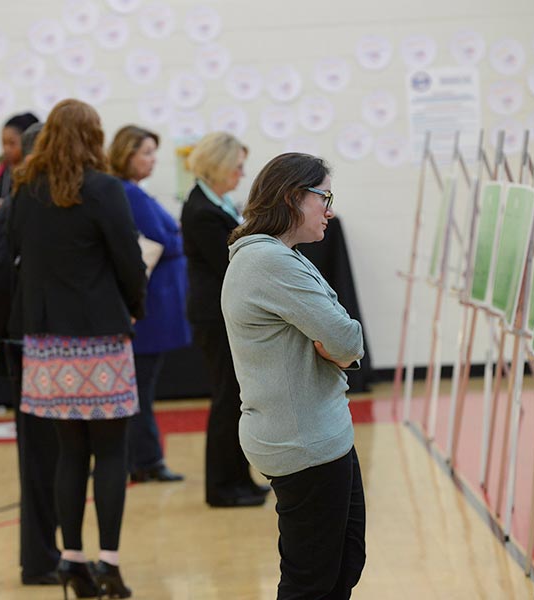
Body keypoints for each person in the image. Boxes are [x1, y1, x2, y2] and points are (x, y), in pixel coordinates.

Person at [8, 99, 146, 599]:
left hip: (47, 342)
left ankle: (70, 561)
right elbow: (129, 258)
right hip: (101, 337)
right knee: (111, 452)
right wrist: (134, 305)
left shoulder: (25, 189)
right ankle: (107, 562)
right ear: (94, 136)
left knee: (70, 453)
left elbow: (16, 259)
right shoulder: (105, 188)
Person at [221, 153, 366, 599]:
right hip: (302, 440)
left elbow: (341, 340)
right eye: (323, 196)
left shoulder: (280, 254)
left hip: (320, 431)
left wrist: (339, 347)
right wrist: (338, 349)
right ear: (292, 197)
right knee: (310, 583)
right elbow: (345, 338)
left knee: (342, 563)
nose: (330, 209)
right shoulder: (268, 261)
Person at [0, 122, 61, 586]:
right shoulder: (23, 206)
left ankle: (51, 555)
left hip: (32, 341)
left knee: (49, 458)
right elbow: (0, 280)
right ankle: (42, 559)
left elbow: (0, 281)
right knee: (42, 458)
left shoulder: (23, 205)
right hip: (33, 344)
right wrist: (2, 330)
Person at [180, 132, 270, 508]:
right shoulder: (201, 210)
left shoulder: (216, 202)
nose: (241, 173)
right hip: (214, 316)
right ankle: (221, 486)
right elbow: (229, 262)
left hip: (222, 313)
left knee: (237, 398)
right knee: (227, 398)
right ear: (218, 166)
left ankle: (239, 478)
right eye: (236, 166)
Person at [108, 125, 190, 483]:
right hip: (151, 306)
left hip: (157, 302)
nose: (152, 160)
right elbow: (167, 240)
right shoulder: (130, 194)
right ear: (126, 154)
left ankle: (144, 457)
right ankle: (145, 459)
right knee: (141, 386)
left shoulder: (134, 192)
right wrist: (178, 236)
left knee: (143, 384)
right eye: (145, 152)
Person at [0, 112, 40, 303]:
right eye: (3, 143)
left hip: (24, 248)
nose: (6, 149)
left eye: (12, 143)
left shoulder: (36, 167)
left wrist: (7, 208)